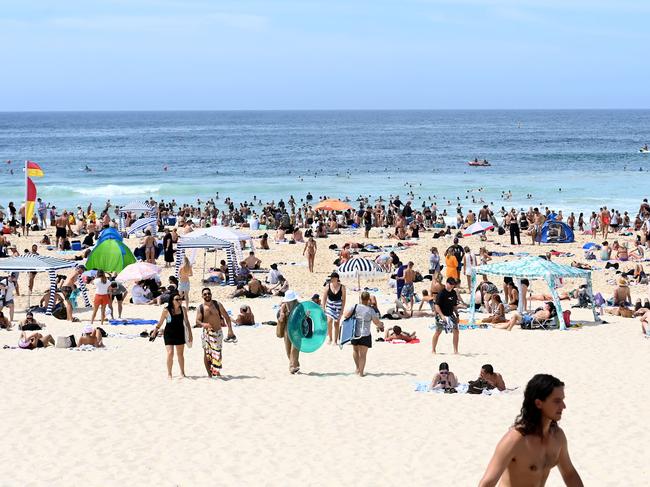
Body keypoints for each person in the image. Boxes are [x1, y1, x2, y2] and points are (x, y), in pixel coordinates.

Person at [479, 374, 583, 487]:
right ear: (539, 403)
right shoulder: (515, 440)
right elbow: (487, 483)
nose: (563, 406)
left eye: (562, 400)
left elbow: (569, 474)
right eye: (557, 401)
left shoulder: (558, 437)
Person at [342, 291, 383, 377]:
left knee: (355, 351)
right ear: (368, 299)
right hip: (365, 334)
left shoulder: (355, 306)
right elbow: (376, 322)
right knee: (363, 354)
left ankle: (357, 368)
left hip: (354, 333)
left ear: (361, 298)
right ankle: (361, 373)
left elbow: (345, 315)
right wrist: (381, 325)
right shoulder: (370, 310)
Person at [196, 288, 235, 378]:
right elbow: (197, 321)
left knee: (218, 353)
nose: (207, 295)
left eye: (208, 293)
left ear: (211, 294)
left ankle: (216, 371)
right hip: (207, 333)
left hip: (218, 332)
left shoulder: (217, 305)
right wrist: (203, 324)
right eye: (205, 294)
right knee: (207, 354)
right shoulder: (201, 308)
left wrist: (230, 330)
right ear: (202, 296)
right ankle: (210, 374)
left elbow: (227, 317)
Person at [152, 293, 192, 379]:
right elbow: (161, 322)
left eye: (180, 299)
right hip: (169, 334)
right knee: (170, 353)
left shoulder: (183, 309)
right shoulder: (166, 310)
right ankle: (169, 374)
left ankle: (182, 372)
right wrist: (155, 331)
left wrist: (190, 334)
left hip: (180, 333)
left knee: (180, 354)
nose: (179, 301)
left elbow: (187, 322)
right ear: (172, 301)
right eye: (177, 299)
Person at [432, 277, 460, 354]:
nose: (451, 286)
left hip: (450, 314)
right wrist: (442, 316)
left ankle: (455, 350)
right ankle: (433, 349)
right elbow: (436, 306)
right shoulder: (442, 293)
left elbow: (454, 305)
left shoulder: (454, 293)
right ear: (446, 283)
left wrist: (457, 315)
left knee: (456, 331)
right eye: (450, 284)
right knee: (438, 332)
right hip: (441, 315)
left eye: (453, 284)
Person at [277, 290, 301, 374]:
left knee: (294, 349)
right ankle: (295, 364)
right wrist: (281, 316)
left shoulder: (299, 306)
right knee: (288, 350)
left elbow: (304, 317)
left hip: (297, 330)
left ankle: (292, 367)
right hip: (287, 330)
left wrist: (306, 315)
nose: (288, 302)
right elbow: (280, 319)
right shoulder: (284, 306)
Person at [323, 272, 346, 344]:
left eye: (332, 278)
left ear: (336, 278)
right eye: (331, 278)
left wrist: (342, 310)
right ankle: (330, 338)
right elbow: (324, 298)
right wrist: (323, 307)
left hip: (338, 306)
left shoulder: (342, 287)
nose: (331, 279)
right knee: (329, 321)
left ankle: (335, 341)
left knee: (336, 323)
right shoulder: (328, 286)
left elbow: (344, 300)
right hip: (330, 305)